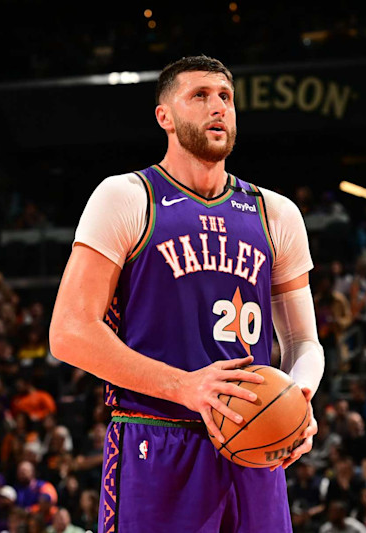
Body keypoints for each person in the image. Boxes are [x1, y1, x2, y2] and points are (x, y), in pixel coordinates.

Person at [48, 55, 324, 532]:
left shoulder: (275, 213)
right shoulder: (127, 197)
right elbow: (69, 332)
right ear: (165, 117)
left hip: (253, 448)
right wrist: (185, 387)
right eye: (199, 96)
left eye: (225, 98)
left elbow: (304, 343)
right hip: (158, 436)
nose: (217, 107)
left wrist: (297, 399)